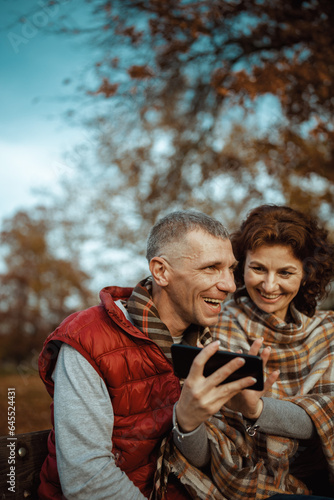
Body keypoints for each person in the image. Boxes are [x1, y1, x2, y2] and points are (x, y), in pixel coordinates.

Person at [37, 209, 260, 500]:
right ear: (161, 271)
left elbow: (212, 457)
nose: (229, 284)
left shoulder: (210, 343)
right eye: (210, 268)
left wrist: (249, 414)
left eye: (230, 268)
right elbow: (87, 480)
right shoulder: (86, 339)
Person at [159, 205, 334, 500]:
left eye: (286, 272)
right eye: (258, 269)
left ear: (306, 274)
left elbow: (326, 413)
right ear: (241, 267)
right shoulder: (212, 327)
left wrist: (257, 410)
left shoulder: (327, 330)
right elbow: (205, 450)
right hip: (249, 488)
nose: (269, 285)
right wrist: (189, 421)